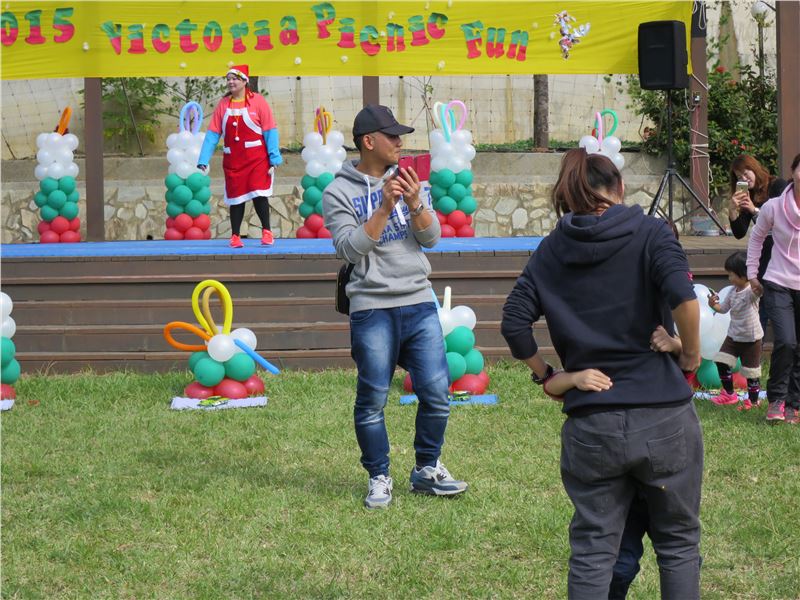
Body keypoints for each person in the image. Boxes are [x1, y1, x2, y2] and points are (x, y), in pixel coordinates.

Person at [501, 148, 703, 598]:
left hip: (592, 423)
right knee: (677, 544)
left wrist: (548, 375)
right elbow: (685, 299)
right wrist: (689, 356)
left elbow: (513, 323)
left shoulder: (552, 249)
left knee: (594, 550)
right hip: (664, 416)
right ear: (620, 187)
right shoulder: (651, 232)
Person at [322, 104, 468, 509]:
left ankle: (427, 469)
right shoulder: (337, 192)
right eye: (393, 136)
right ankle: (379, 477)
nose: (400, 143)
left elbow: (432, 238)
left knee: (437, 392)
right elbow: (348, 249)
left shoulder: (408, 180)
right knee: (373, 398)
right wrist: (384, 208)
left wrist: (416, 202)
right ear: (369, 141)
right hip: (372, 307)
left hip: (419, 300)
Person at [197, 64, 283, 248]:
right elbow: (213, 134)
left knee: (259, 194)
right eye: (228, 79)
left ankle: (267, 232)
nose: (231, 82)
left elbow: (270, 130)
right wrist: (203, 159)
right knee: (236, 198)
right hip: (234, 161)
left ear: (245, 81)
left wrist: (274, 157)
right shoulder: (223, 104)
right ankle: (235, 236)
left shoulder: (258, 101)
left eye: (235, 78)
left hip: (257, 159)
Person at [747, 152, 800, 425]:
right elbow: (756, 238)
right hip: (778, 281)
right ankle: (777, 399)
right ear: (793, 171)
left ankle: (794, 403)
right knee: (787, 341)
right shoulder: (774, 207)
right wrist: (751, 273)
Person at [728, 155, 788, 330]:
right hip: (763, 256)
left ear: (755, 169)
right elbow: (739, 233)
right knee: (760, 307)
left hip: (783, 254)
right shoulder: (750, 195)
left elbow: (783, 219)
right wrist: (732, 211)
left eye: (746, 173)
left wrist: (754, 210)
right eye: (739, 177)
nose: (744, 179)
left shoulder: (777, 185)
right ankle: (756, 343)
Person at [705, 251, 764, 410]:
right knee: (721, 361)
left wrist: (757, 281)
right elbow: (723, 309)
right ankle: (729, 394)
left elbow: (759, 291)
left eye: (732, 274)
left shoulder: (751, 292)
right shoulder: (732, 291)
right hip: (733, 336)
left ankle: (753, 402)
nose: (729, 278)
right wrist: (712, 305)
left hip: (751, 339)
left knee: (751, 372)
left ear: (744, 275)